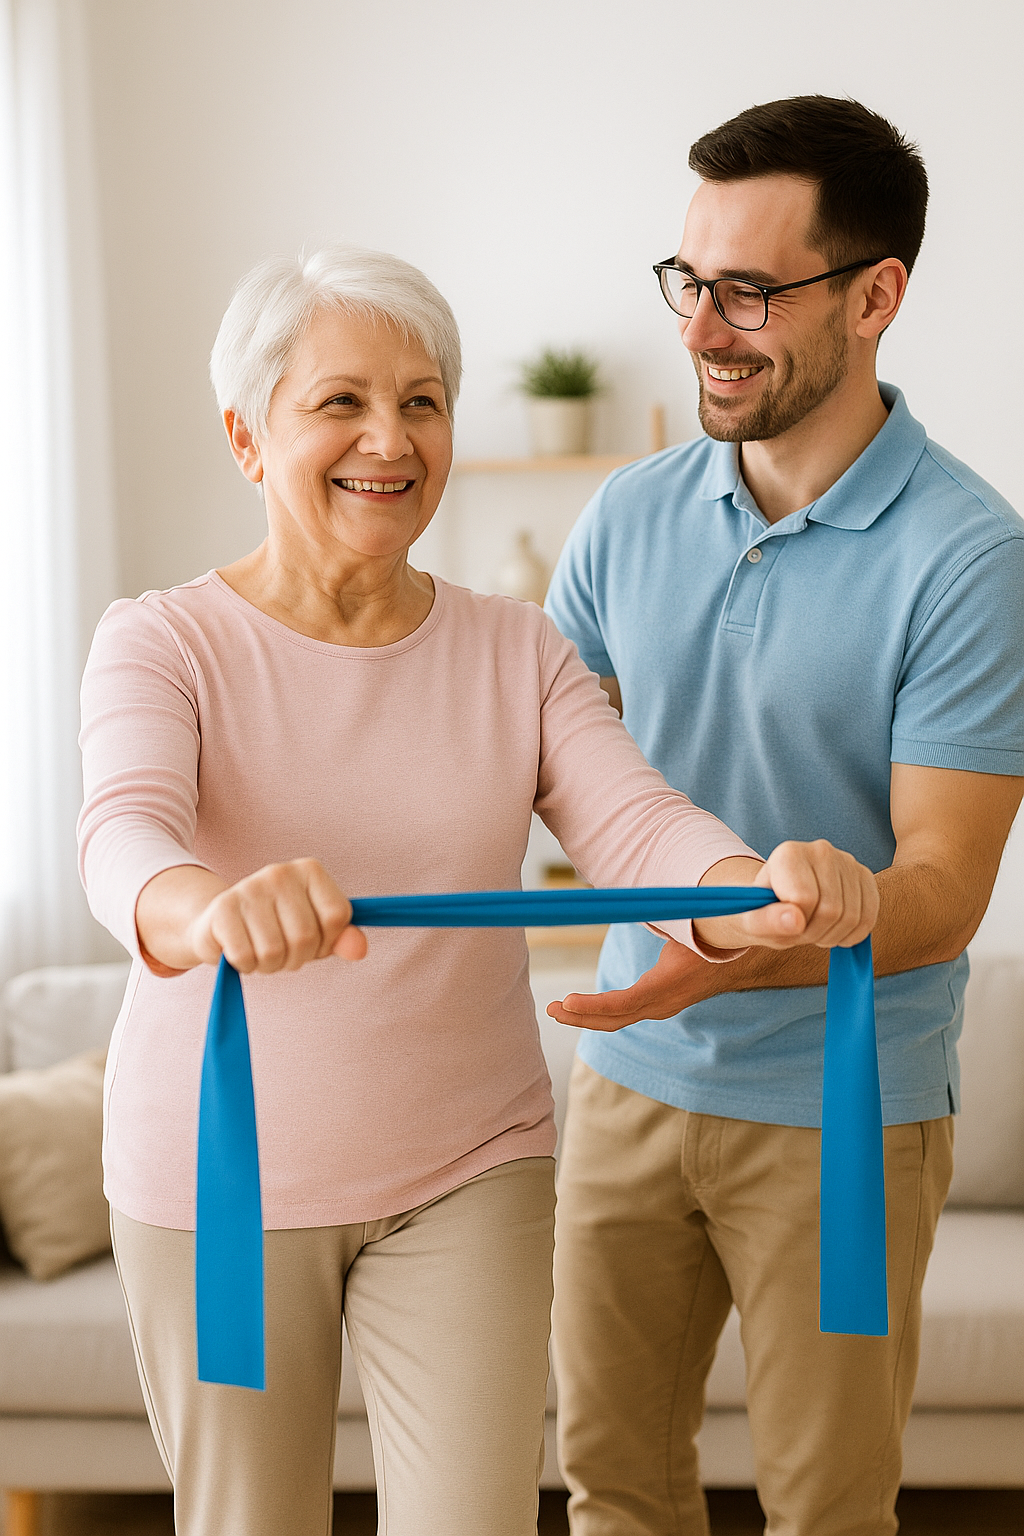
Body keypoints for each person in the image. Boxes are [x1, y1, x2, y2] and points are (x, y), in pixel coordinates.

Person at [77, 244, 876, 1536]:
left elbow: (636, 826)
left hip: (470, 1159)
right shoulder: (162, 642)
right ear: (246, 435)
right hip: (220, 1166)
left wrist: (755, 886)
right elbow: (123, 835)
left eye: (423, 400)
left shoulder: (517, 645)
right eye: (340, 402)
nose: (389, 438)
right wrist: (201, 908)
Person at [545, 96, 1024, 1536]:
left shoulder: (970, 558)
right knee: (614, 1484)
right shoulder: (624, 516)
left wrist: (843, 905)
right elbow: (551, 767)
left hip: (842, 1108)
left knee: (829, 1509)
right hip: (630, 1079)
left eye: (750, 291)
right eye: (691, 282)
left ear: (877, 296)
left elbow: (946, 881)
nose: (701, 329)